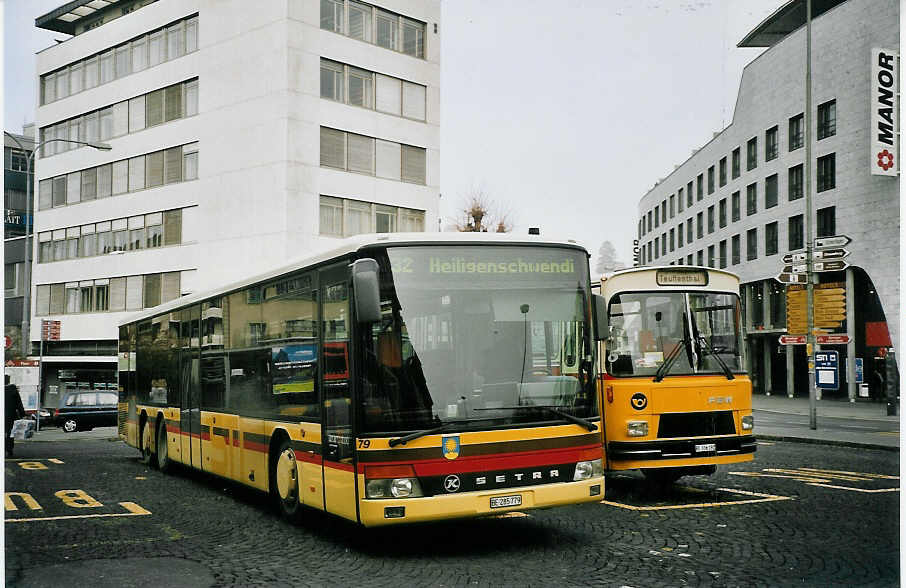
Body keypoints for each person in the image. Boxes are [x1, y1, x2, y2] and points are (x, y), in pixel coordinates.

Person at [5, 375, 25, 457]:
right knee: (10, 433)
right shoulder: (13, 391)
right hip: (10, 416)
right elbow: (19, 404)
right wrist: (22, 414)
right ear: (9, 381)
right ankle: (9, 450)